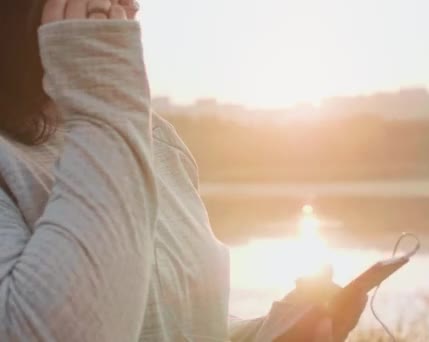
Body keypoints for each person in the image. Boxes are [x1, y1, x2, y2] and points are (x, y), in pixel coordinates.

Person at [0, 0, 367, 341]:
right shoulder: (110, 124)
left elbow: (179, 324)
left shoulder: (157, 139)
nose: (130, 3)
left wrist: (269, 333)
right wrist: (104, 96)